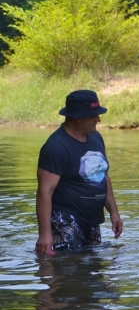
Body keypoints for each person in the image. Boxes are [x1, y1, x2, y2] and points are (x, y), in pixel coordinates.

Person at [35, 90, 123, 254]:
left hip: (91, 220)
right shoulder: (56, 147)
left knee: (91, 270)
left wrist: (114, 212)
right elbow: (44, 192)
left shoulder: (95, 138)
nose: (98, 119)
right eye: (94, 115)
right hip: (65, 221)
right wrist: (45, 234)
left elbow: (102, 175)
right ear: (78, 117)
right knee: (67, 269)